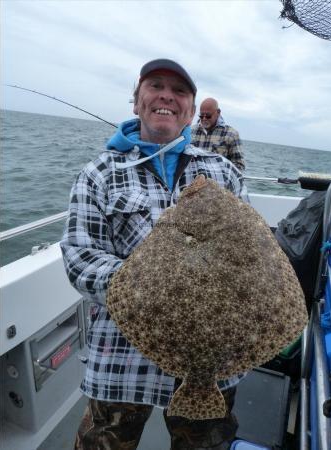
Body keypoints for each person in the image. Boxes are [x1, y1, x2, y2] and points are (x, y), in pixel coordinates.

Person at [61, 58, 246, 450]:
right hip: (122, 360)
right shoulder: (99, 173)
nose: (166, 95)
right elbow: (80, 258)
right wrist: (151, 283)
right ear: (137, 101)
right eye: (155, 85)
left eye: (179, 91)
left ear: (192, 112)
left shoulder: (224, 174)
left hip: (210, 361)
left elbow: (251, 255)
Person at [191, 98, 245, 172]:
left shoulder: (232, 134)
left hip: (218, 182)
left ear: (218, 112)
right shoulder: (191, 131)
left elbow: (239, 165)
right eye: (201, 116)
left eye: (208, 116)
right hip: (193, 181)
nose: (204, 118)